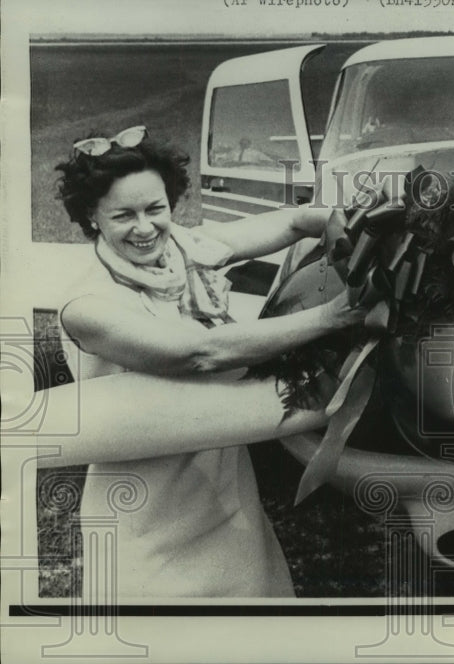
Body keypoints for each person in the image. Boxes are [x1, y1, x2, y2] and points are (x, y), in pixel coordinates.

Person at [55, 126, 365, 597]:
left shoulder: (183, 248)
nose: (145, 227)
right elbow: (200, 354)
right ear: (92, 217)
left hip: (221, 478)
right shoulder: (88, 305)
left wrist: (367, 225)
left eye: (156, 209)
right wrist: (335, 315)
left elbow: (294, 223)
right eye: (124, 215)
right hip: (145, 499)